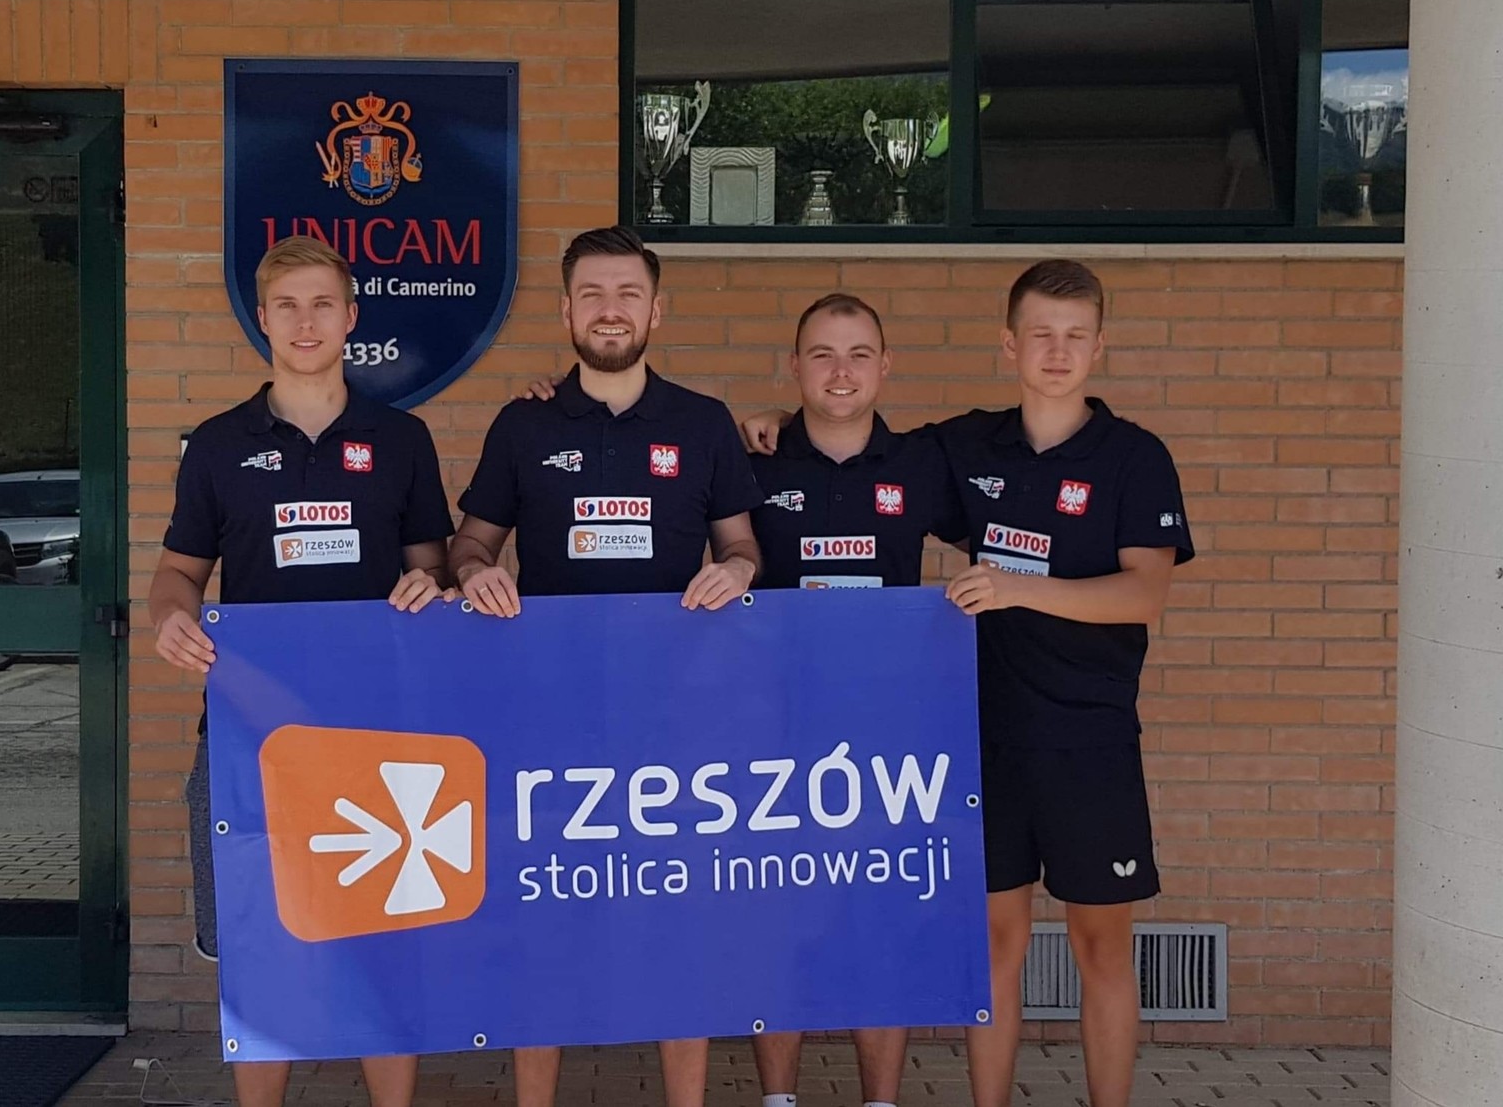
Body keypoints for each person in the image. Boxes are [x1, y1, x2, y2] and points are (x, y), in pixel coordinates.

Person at [742, 260, 1194, 1107]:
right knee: (993, 945)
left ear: (1099, 346)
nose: (1057, 351)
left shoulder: (1134, 456)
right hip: (980, 733)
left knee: (1102, 945)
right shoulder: (961, 448)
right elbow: (848, 424)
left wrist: (1019, 586)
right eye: (1040, 334)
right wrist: (772, 420)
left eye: (1075, 335)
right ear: (1009, 344)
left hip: (1089, 737)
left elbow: (1146, 593)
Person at [448, 225, 764, 1107]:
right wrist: (474, 574)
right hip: (551, 721)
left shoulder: (702, 422)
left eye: (628, 293)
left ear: (657, 310)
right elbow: (471, 543)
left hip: (677, 722)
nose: (611, 310)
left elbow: (742, 544)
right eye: (592, 293)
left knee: (678, 920)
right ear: (566, 311)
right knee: (545, 921)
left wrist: (739, 570)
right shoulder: (524, 422)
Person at [149, 235, 453, 1107]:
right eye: (287, 305)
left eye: (323, 303)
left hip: (378, 733)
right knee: (260, 947)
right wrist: (170, 615)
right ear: (262, 319)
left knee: (385, 941)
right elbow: (177, 573)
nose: (305, 321)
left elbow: (430, 569)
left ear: (351, 317)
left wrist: (429, 587)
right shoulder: (217, 445)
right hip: (251, 736)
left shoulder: (402, 439)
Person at [743, 291, 968, 1107]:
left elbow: (1000, 528)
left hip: (887, 735)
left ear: (885, 365)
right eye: (823, 355)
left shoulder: (923, 463)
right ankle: (779, 1099)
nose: (841, 372)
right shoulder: (752, 461)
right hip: (774, 729)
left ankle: (880, 1100)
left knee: (881, 917)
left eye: (859, 354)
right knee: (780, 918)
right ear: (795, 366)